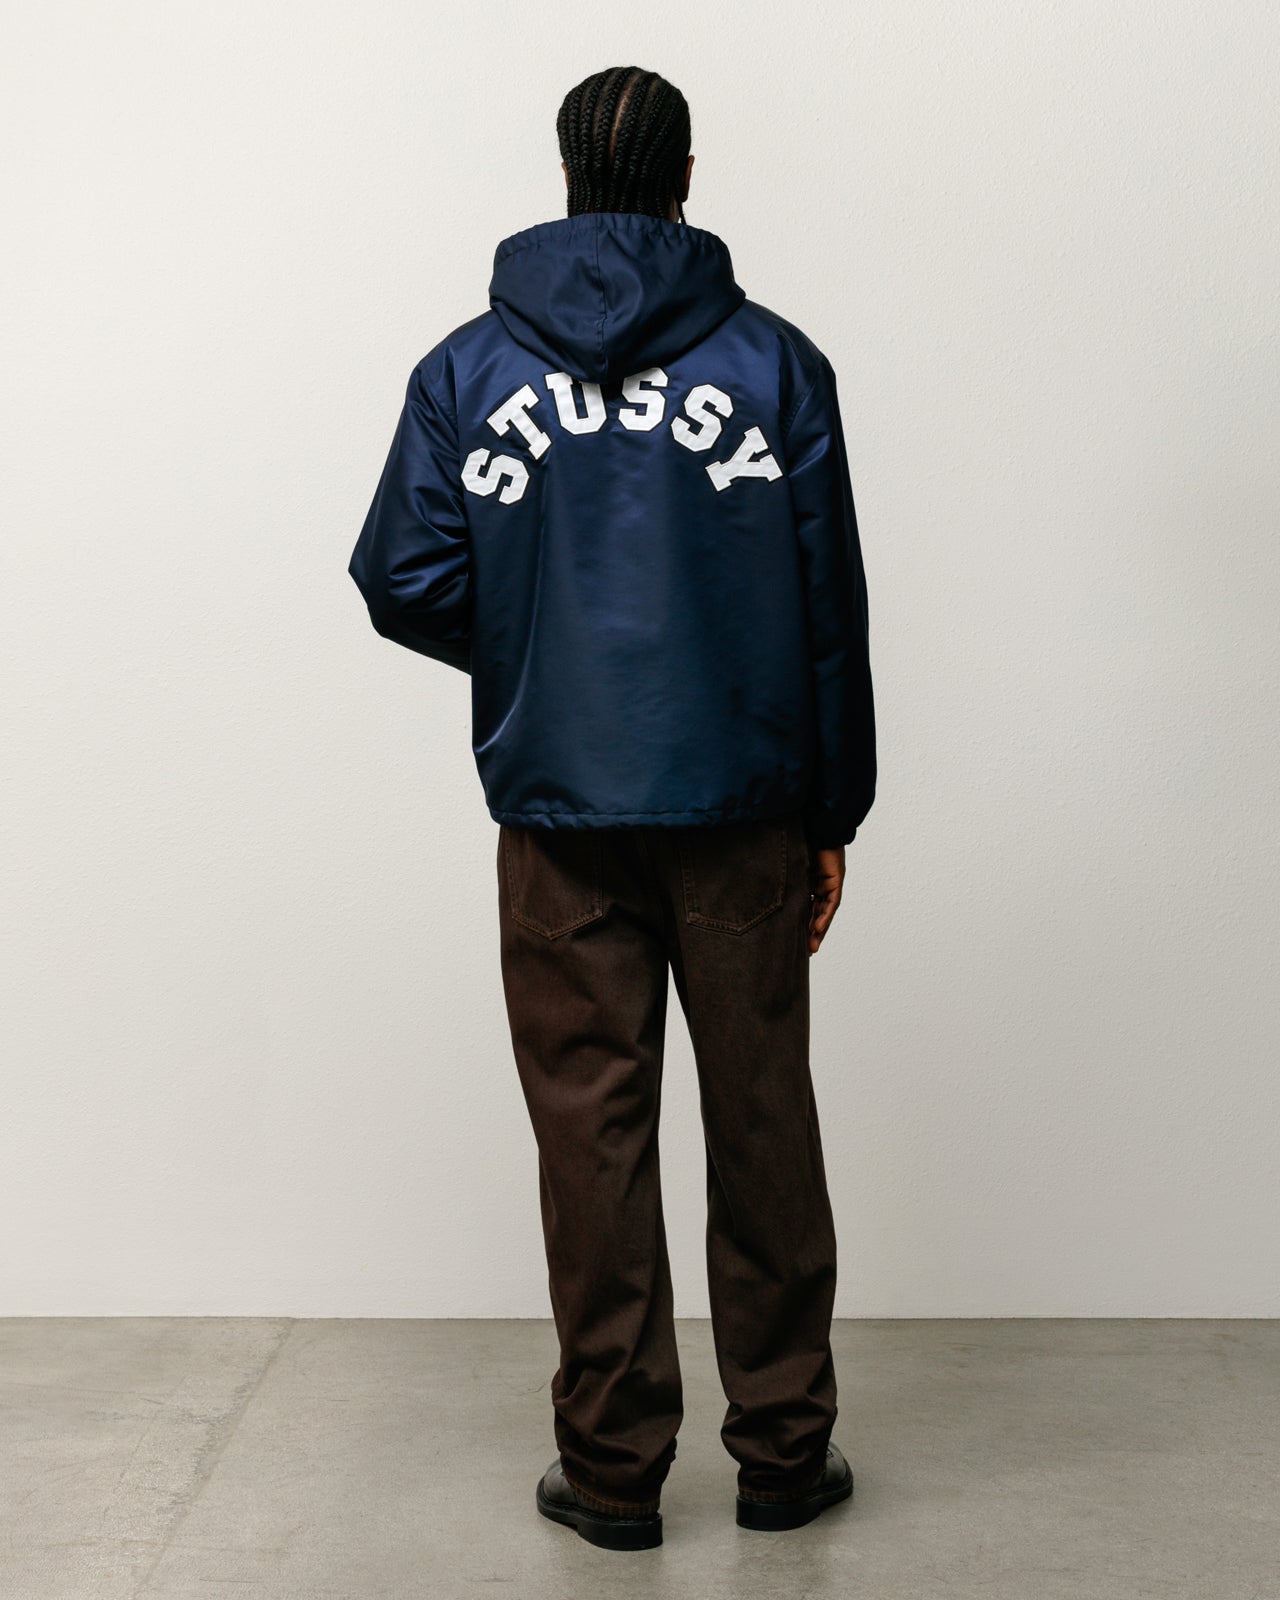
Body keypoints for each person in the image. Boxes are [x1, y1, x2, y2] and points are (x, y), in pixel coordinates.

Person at [348, 64, 876, 1552]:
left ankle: (612, 1469)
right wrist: (835, 810)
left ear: (570, 175)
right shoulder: (776, 366)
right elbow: (827, 609)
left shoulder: (466, 372)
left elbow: (402, 574)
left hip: (559, 815)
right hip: (744, 804)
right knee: (763, 1117)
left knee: (590, 1131)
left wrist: (546, 648)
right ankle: (784, 1454)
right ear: (686, 178)